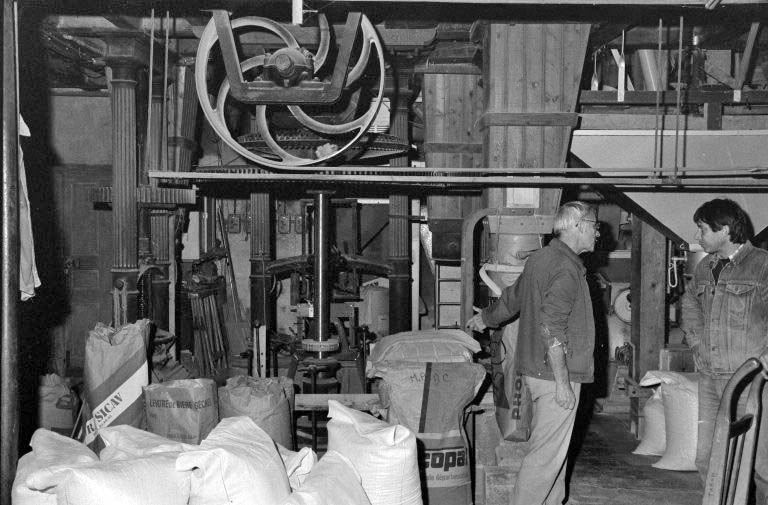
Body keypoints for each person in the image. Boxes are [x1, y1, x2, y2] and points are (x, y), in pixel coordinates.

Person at [467, 201, 598, 505]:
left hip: (539, 371)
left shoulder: (542, 258)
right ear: (577, 226)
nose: (597, 233)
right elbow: (552, 330)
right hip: (556, 373)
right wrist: (564, 384)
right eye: (594, 225)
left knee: (555, 453)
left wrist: (485, 318)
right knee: (544, 457)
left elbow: (513, 297)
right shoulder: (566, 268)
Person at [681, 198, 768, 502]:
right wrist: (695, 341)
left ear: (726, 229)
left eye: (702, 229)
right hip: (710, 378)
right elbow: (690, 302)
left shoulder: (763, 265)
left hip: (748, 381)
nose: (697, 236)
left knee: (760, 466)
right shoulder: (706, 267)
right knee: (708, 461)